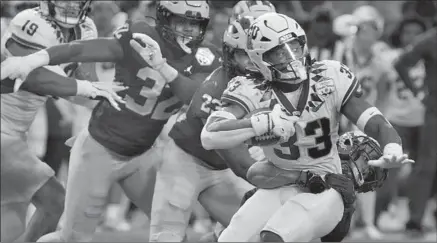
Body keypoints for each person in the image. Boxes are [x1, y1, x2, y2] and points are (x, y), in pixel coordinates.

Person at [1, 1, 221, 241]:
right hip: (87, 145)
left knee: (172, 233)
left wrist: (105, 97)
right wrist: (44, 64)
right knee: (64, 225)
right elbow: (49, 68)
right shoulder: (32, 23)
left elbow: (81, 77)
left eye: (194, 23)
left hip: (141, 151)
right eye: (181, 21)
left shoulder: (206, 56)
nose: (188, 30)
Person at [200, 12, 413, 242]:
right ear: (259, 57)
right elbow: (211, 134)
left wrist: (392, 146)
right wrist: (259, 123)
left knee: (274, 237)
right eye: (279, 52)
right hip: (281, 183)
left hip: (325, 187)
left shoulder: (329, 76)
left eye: (294, 46)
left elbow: (374, 121)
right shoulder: (250, 86)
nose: (291, 56)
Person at [150, 1, 276, 241]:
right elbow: (238, 162)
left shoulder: (275, 77)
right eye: (247, 54)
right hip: (186, 161)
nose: (256, 60)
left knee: (254, 233)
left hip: (222, 166)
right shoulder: (219, 87)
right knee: (166, 237)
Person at [0, 1, 125, 242]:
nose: (70, 5)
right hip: (3, 128)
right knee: (53, 202)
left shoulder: (86, 27)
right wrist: (88, 89)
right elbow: (32, 77)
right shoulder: (29, 22)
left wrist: (111, 103)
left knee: (17, 219)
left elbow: (85, 79)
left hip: (15, 132)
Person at [332, 5, 394, 239]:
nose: (366, 33)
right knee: (336, 172)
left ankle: (367, 222)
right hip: (338, 121)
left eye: (371, 28)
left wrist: (382, 119)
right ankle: (339, 221)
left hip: (365, 121)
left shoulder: (380, 59)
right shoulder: (341, 52)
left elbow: (385, 90)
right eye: (364, 28)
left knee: (367, 172)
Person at [374, 16, 427, 227]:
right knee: (388, 170)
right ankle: (375, 216)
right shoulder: (389, 57)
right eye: (408, 32)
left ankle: (416, 218)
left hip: (425, 121)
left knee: (423, 171)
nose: (412, 37)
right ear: (400, 34)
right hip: (396, 120)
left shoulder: (430, 55)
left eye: (417, 32)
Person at [394, 26, 437, 236]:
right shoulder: (431, 38)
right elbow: (401, 63)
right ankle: (414, 221)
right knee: (427, 166)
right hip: (435, 111)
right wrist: (418, 92)